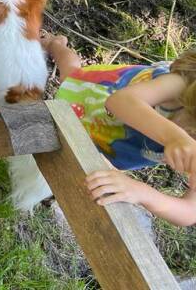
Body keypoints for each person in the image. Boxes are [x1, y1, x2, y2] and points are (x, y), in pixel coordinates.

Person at [43, 34, 196, 226]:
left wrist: (142, 193)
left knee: (72, 151)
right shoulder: (185, 84)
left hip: (111, 147)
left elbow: (190, 212)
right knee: (70, 73)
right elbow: (120, 101)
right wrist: (175, 138)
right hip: (93, 103)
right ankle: (55, 45)